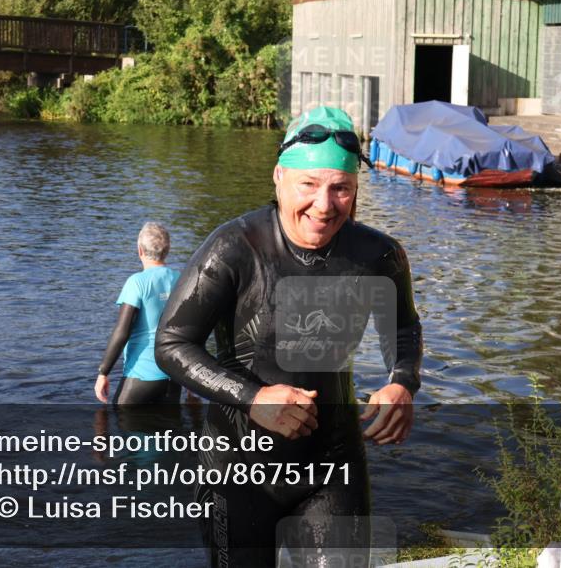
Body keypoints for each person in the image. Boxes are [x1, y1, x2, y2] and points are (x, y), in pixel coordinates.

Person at [155, 106, 423, 566]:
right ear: (279, 177)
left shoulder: (379, 256)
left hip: (332, 462)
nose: (325, 205)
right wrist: (255, 397)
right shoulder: (234, 247)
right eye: (309, 185)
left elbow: (403, 328)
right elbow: (172, 344)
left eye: (341, 188)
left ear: (355, 189)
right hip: (236, 467)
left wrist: (402, 381)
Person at [95, 222, 182, 405]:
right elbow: (190, 328)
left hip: (141, 375)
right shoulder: (180, 279)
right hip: (174, 376)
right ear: (167, 250)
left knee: (121, 424)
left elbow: (122, 331)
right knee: (168, 429)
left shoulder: (136, 283)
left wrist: (103, 372)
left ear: (140, 250)